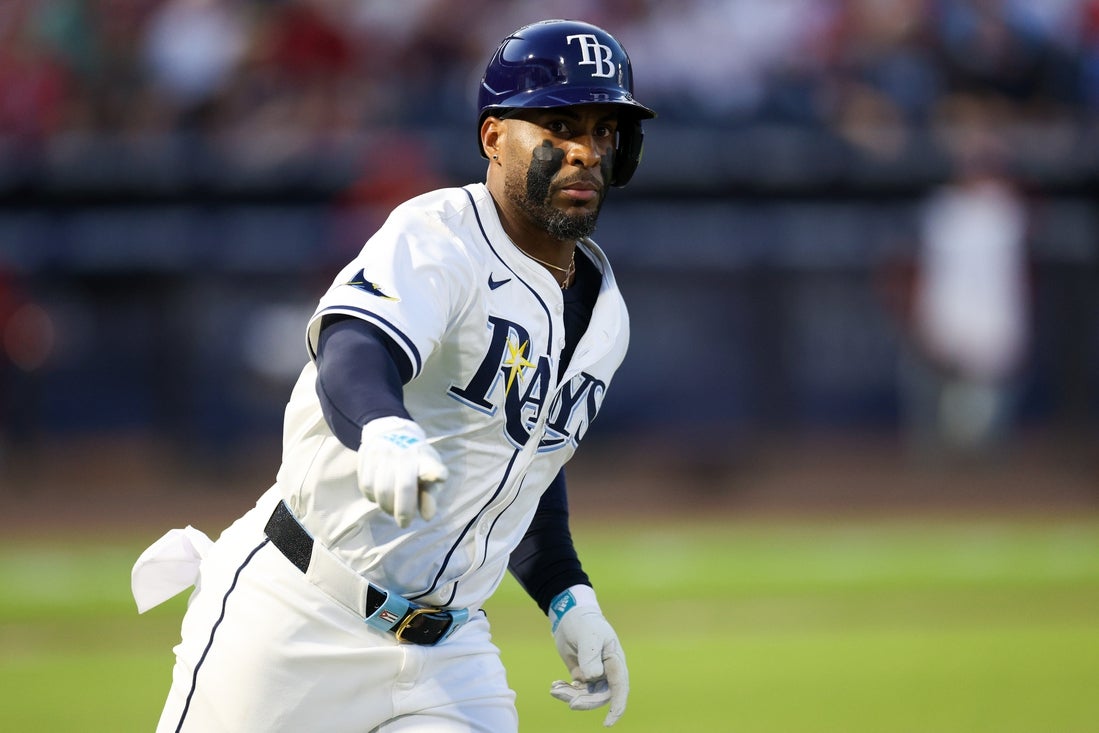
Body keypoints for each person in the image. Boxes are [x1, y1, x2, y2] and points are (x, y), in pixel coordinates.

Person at [131, 18, 655, 732]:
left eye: (604, 130)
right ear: (493, 136)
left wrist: (568, 595)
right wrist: (382, 426)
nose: (585, 152)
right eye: (558, 125)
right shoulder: (442, 233)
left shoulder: (605, 313)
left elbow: (524, 458)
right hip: (297, 616)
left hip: (449, 652)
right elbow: (355, 345)